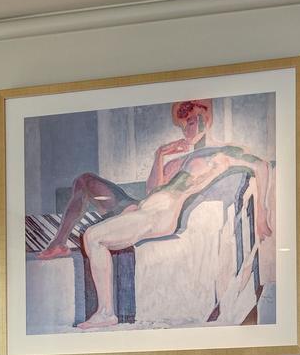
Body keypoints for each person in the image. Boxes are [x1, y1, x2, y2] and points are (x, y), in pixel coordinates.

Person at [77, 141, 273, 330]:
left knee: (93, 236)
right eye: (185, 121)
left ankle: (106, 312)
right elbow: (151, 190)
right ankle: (105, 311)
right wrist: (160, 155)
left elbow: (261, 165)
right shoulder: (187, 160)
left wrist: (262, 212)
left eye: (195, 118)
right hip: (148, 210)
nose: (190, 126)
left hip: (160, 212)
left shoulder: (222, 154)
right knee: (92, 233)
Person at [33, 99, 214, 261]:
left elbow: (157, 204)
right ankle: (59, 243)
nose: (186, 130)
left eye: (190, 122)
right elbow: (152, 192)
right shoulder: (176, 161)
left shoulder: (204, 163)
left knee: (97, 202)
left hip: (142, 215)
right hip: (136, 207)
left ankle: (62, 242)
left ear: (204, 120)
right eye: (183, 126)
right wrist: (160, 155)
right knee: (84, 180)